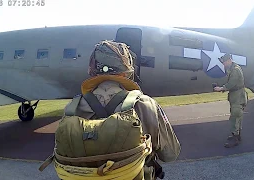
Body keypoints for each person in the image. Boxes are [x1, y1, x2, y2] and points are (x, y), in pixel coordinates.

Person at [60, 40, 181, 178]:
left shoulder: (72, 109)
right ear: (126, 71)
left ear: (92, 70)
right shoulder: (144, 104)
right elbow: (170, 153)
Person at [214, 53, 247, 148]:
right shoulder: (232, 68)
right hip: (236, 95)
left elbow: (232, 83)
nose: (223, 64)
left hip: (238, 96)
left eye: (224, 62)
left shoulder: (235, 70)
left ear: (229, 60)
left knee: (235, 116)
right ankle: (236, 135)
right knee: (237, 116)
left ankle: (235, 138)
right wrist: (223, 88)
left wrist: (222, 88)